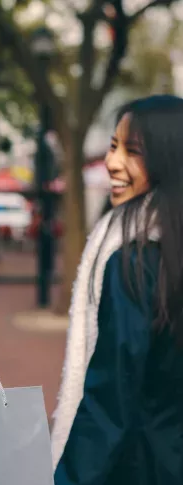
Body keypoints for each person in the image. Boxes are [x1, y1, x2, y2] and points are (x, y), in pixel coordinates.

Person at [52, 95, 183, 484]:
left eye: (133, 151)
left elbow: (110, 398)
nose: (113, 163)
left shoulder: (134, 260)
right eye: (113, 146)